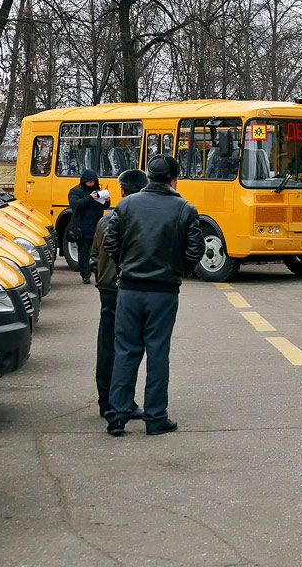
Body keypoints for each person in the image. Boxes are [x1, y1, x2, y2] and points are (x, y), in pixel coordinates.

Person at [103, 155, 206, 437]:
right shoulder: (185, 208)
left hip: (129, 289)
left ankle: (117, 415)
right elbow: (195, 250)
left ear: (149, 177)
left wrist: (126, 265)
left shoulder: (126, 205)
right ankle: (155, 417)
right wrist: (178, 271)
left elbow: (110, 244)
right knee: (158, 352)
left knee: (125, 350)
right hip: (164, 291)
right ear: (174, 179)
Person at [89, 168, 148, 419]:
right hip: (130, 288)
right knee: (129, 347)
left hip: (107, 288)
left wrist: (100, 277)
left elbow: (94, 255)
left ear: (122, 191)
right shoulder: (143, 221)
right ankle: (124, 400)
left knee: (107, 344)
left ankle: (106, 401)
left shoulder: (105, 221)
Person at [68, 169, 107, 284]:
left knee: (98, 253)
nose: (91, 184)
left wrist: (106, 201)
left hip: (97, 226)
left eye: (93, 182)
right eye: (89, 182)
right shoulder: (75, 191)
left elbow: (102, 206)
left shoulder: (96, 191)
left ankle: (99, 274)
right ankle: (85, 275)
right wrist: (90, 197)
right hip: (82, 226)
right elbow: (75, 205)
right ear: (84, 181)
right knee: (84, 252)